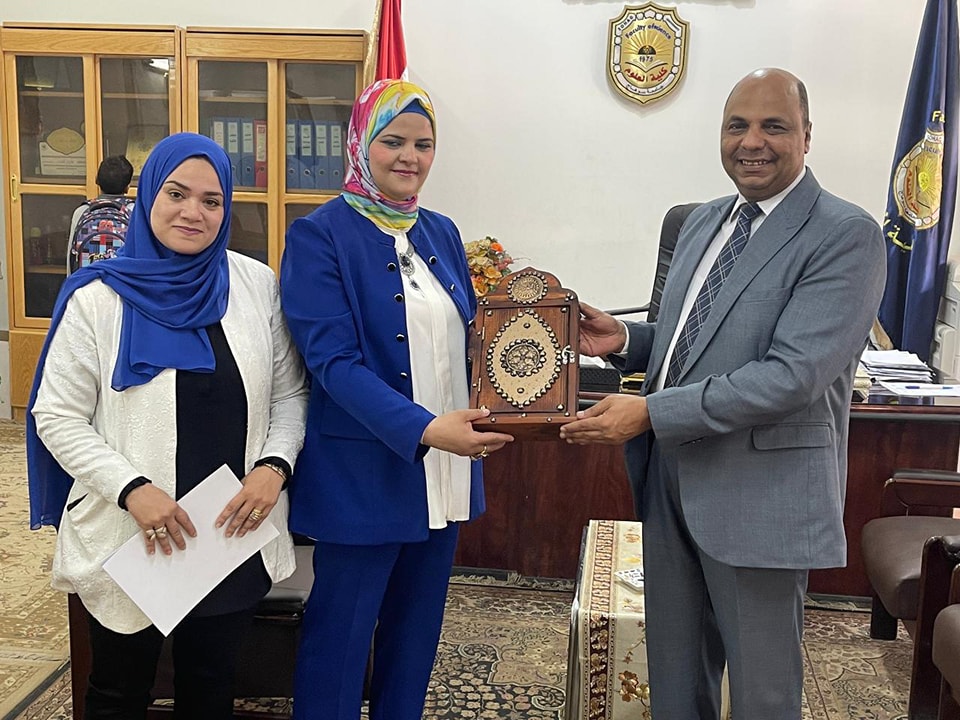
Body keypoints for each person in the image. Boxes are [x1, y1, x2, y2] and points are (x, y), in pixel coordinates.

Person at [559, 68, 886, 719]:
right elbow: (695, 340)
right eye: (737, 125)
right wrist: (624, 339)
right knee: (676, 682)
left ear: (807, 135)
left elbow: (791, 376)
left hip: (760, 494)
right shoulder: (703, 221)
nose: (751, 141)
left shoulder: (844, 234)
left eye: (773, 126)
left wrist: (651, 412)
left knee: (763, 694)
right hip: (671, 483)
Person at [26, 132, 308, 720]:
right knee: (119, 692)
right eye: (176, 193)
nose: (192, 212)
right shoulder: (97, 299)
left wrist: (274, 467)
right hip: (133, 534)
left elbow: (290, 394)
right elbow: (57, 414)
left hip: (229, 533)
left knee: (211, 687)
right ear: (149, 194)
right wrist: (132, 490)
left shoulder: (255, 285)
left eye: (211, 200)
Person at [280, 79, 514, 720]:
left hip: (444, 474)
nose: (409, 156)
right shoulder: (319, 235)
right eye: (393, 141)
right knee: (339, 644)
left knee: (414, 643)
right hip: (364, 474)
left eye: (423, 144)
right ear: (361, 142)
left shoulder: (441, 232)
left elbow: (470, 338)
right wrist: (428, 429)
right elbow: (333, 363)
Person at [67, 154, 135, 243]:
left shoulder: (82, 211)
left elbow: (72, 250)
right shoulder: (134, 211)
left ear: (97, 180)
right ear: (127, 187)